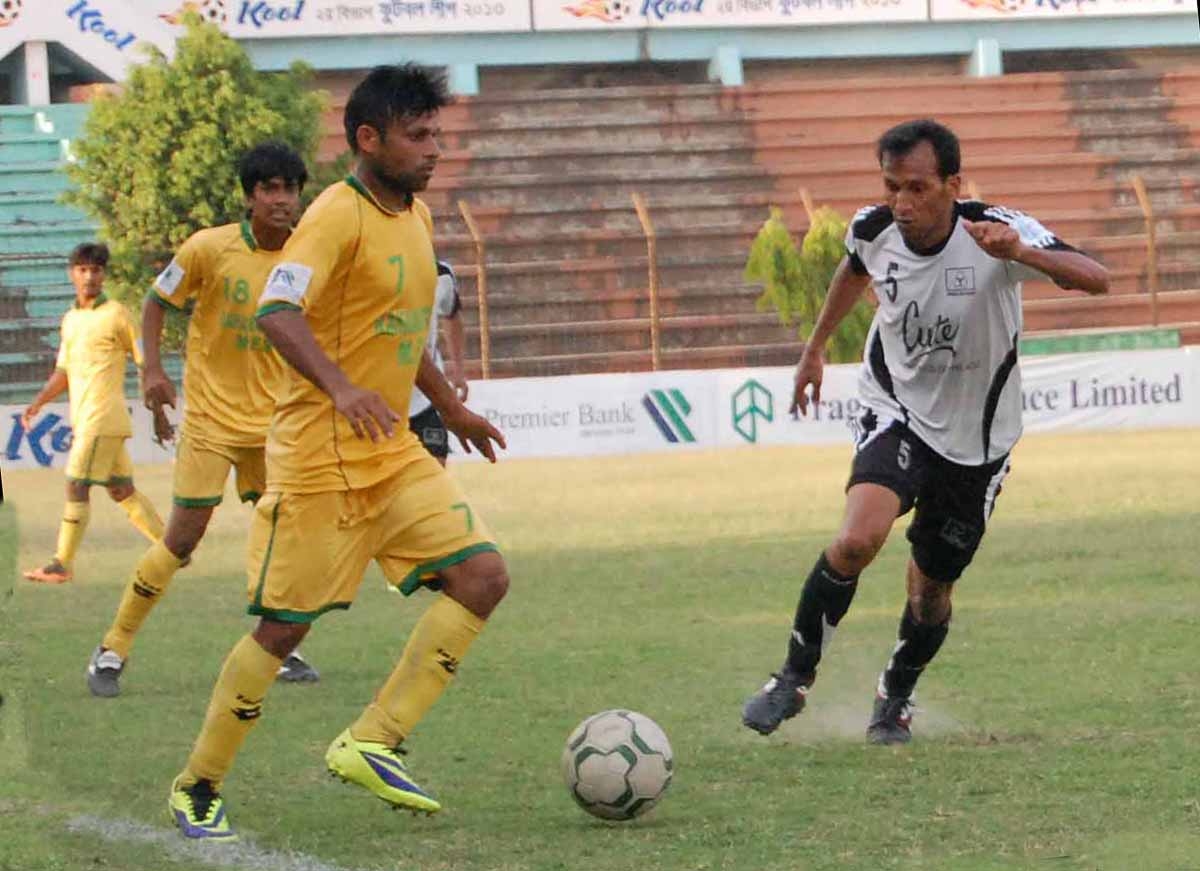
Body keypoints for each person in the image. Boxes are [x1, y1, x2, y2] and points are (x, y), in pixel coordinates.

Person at [168, 64, 510, 841]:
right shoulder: (333, 215)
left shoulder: (416, 217)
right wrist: (340, 387)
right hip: (319, 457)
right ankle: (197, 786)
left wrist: (450, 404)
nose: (434, 150)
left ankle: (373, 738)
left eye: (437, 134)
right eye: (418, 136)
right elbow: (276, 310)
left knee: (483, 576)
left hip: (388, 452)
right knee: (284, 630)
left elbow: (400, 325)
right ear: (368, 137)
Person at [741, 119, 1109, 745]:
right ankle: (792, 678)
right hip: (897, 410)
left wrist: (1019, 252)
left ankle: (895, 697)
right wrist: (815, 350)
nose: (902, 204)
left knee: (930, 590)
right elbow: (852, 271)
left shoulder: (996, 229)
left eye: (916, 188)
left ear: (953, 184)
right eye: (892, 187)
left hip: (979, 441)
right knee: (858, 538)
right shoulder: (873, 228)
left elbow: (1095, 278)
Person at [85, 143, 321, 698]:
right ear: (251, 196)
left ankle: (275, 648)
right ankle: (112, 648)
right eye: (270, 188)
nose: (282, 200)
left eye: (290, 188)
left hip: (274, 424)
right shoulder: (208, 249)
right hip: (212, 422)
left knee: (284, 536)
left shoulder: (309, 256)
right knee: (182, 539)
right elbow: (154, 303)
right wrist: (152, 372)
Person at [21, 243, 164, 584]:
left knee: (76, 484)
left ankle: (62, 563)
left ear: (104, 275)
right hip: (87, 418)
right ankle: (174, 548)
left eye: (96, 270)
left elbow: (146, 362)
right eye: (83, 270)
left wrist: (158, 410)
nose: (90, 277)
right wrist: (39, 400)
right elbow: (64, 370)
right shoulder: (70, 319)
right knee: (121, 490)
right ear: (73, 274)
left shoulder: (116, 314)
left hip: (102, 418)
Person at [408, 259, 468, 465]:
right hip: (382, 400)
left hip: (427, 397)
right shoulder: (376, 270)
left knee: (434, 475)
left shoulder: (441, 273)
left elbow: (452, 315)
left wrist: (459, 371)